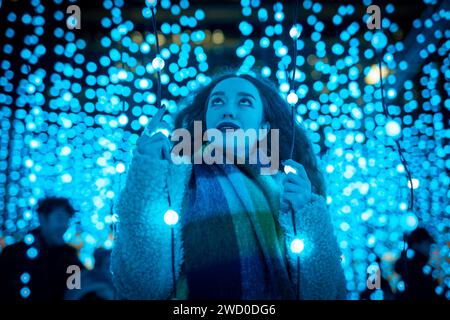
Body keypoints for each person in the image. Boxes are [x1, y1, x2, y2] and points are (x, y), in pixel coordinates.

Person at [111, 72, 346, 300]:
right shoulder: (174, 182)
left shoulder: (287, 190)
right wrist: (147, 173)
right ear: (205, 122)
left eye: (244, 102)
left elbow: (323, 292)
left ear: (264, 126)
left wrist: (307, 213)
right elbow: (141, 287)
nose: (228, 110)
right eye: (217, 102)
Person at [0, 197, 83, 300]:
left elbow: (76, 291)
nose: (64, 226)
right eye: (59, 219)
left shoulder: (70, 257)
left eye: (67, 220)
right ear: (42, 218)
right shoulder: (14, 254)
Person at [394, 227, 445, 300]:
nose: (429, 247)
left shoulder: (408, 265)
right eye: (427, 243)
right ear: (416, 244)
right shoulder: (417, 268)